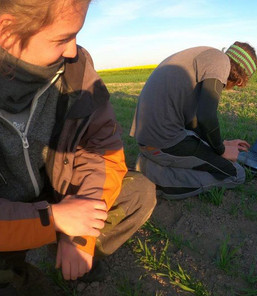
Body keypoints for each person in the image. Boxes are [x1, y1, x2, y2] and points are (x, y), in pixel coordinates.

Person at [0, 0, 156, 293]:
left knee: (137, 192)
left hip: (58, 191)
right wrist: (52, 220)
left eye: (76, 35)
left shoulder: (76, 69)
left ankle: (66, 253)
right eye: (62, 38)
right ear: (6, 31)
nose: (73, 50)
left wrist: (80, 236)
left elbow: (102, 149)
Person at [132, 42, 257, 200]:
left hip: (147, 141)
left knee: (208, 155)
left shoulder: (205, 56)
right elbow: (206, 116)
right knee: (236, 173)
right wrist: (221, 150)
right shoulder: (221, 62)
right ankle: (161, 182)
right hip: (163, 142)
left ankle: (148, 164)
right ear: (239, 80)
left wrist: (222, 143)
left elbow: (193, 122)